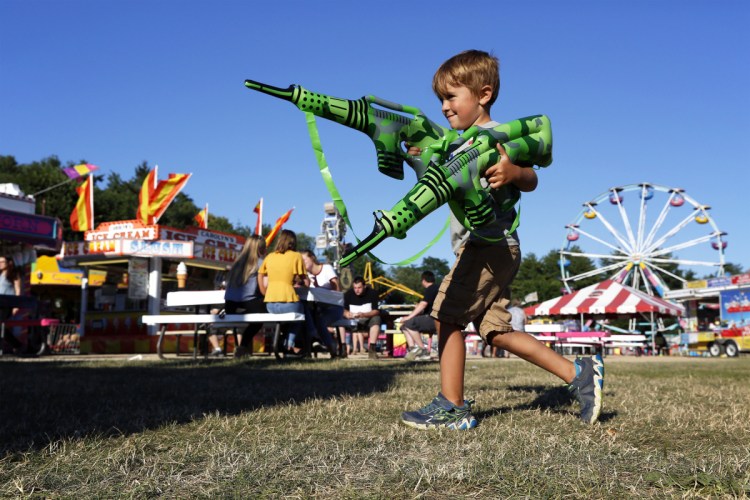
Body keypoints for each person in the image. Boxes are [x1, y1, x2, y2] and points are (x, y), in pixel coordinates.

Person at [400, 50, 604, 430]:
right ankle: (578, 372)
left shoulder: (501, 138)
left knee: (446, 315)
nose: (444, 107)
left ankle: (452, 406)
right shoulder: (454, 146)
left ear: (484, 94)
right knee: (496, 330)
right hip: (489, 248)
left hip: (489, 246)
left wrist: (513, 171)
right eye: (440, 100)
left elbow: (532, 178)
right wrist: (416, 158)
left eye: (451, 96)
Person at [216, 235, 268, 358]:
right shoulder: (261, 263)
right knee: (263, 315)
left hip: (230, 305)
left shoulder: (236, 263)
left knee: (256, 314)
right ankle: (243, 346)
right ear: (261, 249)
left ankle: (242, 347)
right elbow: (264, 287)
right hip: (248, 304)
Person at [258, 230, 307, 354]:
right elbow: (305, 282)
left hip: (270, 305)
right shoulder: (296, 256)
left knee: (287, 320)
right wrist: (300, 282)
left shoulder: (270, 256)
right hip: (289, 303)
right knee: (302, 311)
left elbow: (260, 274)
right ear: (293, 242)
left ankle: (285, 344)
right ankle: (289, 344)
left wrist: (264, 292)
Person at [301, 249, 342, 358]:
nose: (302, 263)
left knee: (319, 320)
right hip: (318, 308)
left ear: (312, 258)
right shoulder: (306, 276)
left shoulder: (327, 268)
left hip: (333, 307)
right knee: (305, 316)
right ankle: (308, 349)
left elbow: (336, 290)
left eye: (304, 260)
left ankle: (330, 347)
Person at [400, 271, 439, 361]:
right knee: (404, 327)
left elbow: (423, 304)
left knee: (409, 322)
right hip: (436, 319)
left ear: (423, 280)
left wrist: (409, 316)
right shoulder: (437, 288)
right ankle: (413, 349)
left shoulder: (431, 288)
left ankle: (422, 350)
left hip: (433, 319)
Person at [343, 276, 381, 359]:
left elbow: (376, 311)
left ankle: (372, 349)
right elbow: (343, 309)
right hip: (352, 320)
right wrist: (346, 314)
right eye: (355, 288)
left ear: (364, 286)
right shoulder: (348, 294)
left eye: (359, 287)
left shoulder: (373, 293)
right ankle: (342, 349)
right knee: (339, 320)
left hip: (368, 318)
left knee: (376, 319)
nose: (357, 290)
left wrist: (363, 315)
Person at [0, 255, 23, 353]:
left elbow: (18, 290)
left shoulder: (14, 275)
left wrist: (16, 305)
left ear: (9, 263)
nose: (0, 264)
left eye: (2, 262)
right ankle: (17, 344)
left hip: (7, 304)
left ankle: (16, 344)